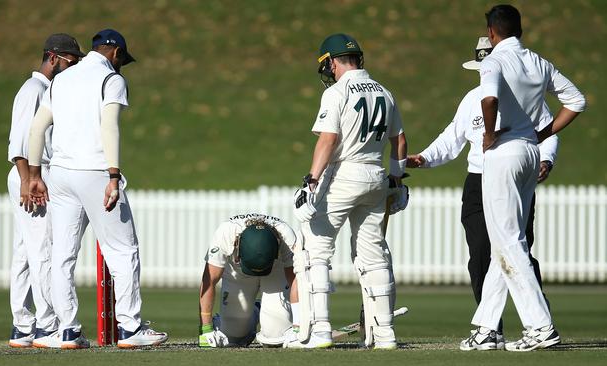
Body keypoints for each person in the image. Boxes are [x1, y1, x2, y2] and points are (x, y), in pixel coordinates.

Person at [406, 37, 560, 351]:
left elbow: (547, 130)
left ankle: (539, 322)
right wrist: (425, 158)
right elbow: (451, 138)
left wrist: (546, 159)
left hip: (510, 175)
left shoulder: (521, 95)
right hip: (478, 180)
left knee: (515, 249)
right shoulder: (470, 99)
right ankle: (491, 329)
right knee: (482, 256)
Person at [27, 29, 167, 349]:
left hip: (60, 174)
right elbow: (109, 126)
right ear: (115, 54)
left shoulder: (61, 79)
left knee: (62, 255)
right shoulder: (110, 80)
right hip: (95, 172)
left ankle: (67, 330)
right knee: (123, 250)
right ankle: (130, 328)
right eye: (122, 61)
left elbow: (37, 127)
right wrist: (113, 175)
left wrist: (35, 173)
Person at [464, 5, 585, 352]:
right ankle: (487, 327)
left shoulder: (493, 61)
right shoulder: (539, 62)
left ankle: (541, 325)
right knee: (507, 240)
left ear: (491, 32)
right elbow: (576, 101)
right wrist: (542, 132)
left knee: (509, 241)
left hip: (504, 153)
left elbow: (488, 97)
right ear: (520, 29)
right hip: (531, 153)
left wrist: (488, 134)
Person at [291, 33, 408, 349]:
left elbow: (328, 140)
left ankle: (320, 330)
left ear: (330, 62)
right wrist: (397, 181)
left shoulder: (337, 92)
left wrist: (311, 181)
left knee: (315, 248)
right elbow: (399, 140)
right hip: (376, 175)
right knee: (373, 254)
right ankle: (384, 333)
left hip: (346, 173)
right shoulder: (385, 92)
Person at [6, 33, 84, 348]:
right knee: (44, 250)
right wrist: (28, 180)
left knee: (25, 252)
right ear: (53, 58)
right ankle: (47, 324)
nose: (74, 67)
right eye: (71, 62)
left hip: (33, 174)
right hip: (33, 174)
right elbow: (20, 142)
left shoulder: (47, 90)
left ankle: (23, 326)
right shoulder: (34, 89)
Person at [198, 213, 298, 348]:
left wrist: (299, 326)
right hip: (237, 272)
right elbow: (209, 281)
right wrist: (206, 330)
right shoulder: (226, 233)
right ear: (237, 244)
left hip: (275, 270)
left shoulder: (286, 236)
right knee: (233, 338)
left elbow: (297, 282)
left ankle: (269, 312)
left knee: (275, 338)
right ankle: (256, 310)